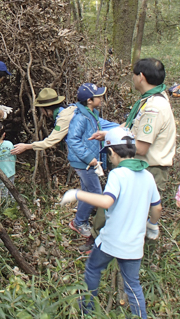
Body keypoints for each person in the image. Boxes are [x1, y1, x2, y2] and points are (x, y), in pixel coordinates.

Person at [60, 127, 162, 319]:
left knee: (92, 269)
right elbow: (157, 208)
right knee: (133, 284)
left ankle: (88, 311)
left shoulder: (118, 174)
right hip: (134, 245)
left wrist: (76, 194)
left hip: (111, 242)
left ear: (112, 152)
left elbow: (107, 202)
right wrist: (152, 225)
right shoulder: (147, 176)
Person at [84, 58, 175, 253]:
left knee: (128, 209)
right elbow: (135, 128)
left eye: (133, 75)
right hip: (139, 164)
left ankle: (118, 248)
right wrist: (109, 133)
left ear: (141, 77)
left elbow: (141, 147)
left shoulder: (154, 107)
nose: (132, 78)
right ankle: (103, 241)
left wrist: (115, 144)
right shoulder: (150, 99)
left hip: (148, 167)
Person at [66, 83, 118, 237]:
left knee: (88, 191)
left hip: (89, 161)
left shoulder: (91, 114)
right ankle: (80, 222)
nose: (101, 99)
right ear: (89, 100)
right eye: (98, 97)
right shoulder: (80, 117)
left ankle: (79, 221)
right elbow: (73, 140)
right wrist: (90, 159)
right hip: (84, 163)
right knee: (96, 194)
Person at [11, 88, 75, 155]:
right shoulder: (70, 109)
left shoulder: (64, 118)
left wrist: (26, 147)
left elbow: (49, 142)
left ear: (46, 108)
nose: (42, 112)